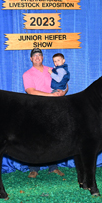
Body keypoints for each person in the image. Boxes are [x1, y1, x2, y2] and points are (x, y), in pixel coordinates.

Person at [22, 48, 68, 178]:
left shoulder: (52, 70)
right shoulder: (27, 74)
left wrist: (62, 92)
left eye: (39, 55)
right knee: (35, 138)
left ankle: (53, 167)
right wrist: (50, 95)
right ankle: (34, 168)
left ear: (42, 57)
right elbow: (30, 91)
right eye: (34, 55)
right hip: (36, 108)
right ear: (31, 59)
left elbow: (65, 83)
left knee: (53, 138)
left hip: (53, 108)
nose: (37, 57)